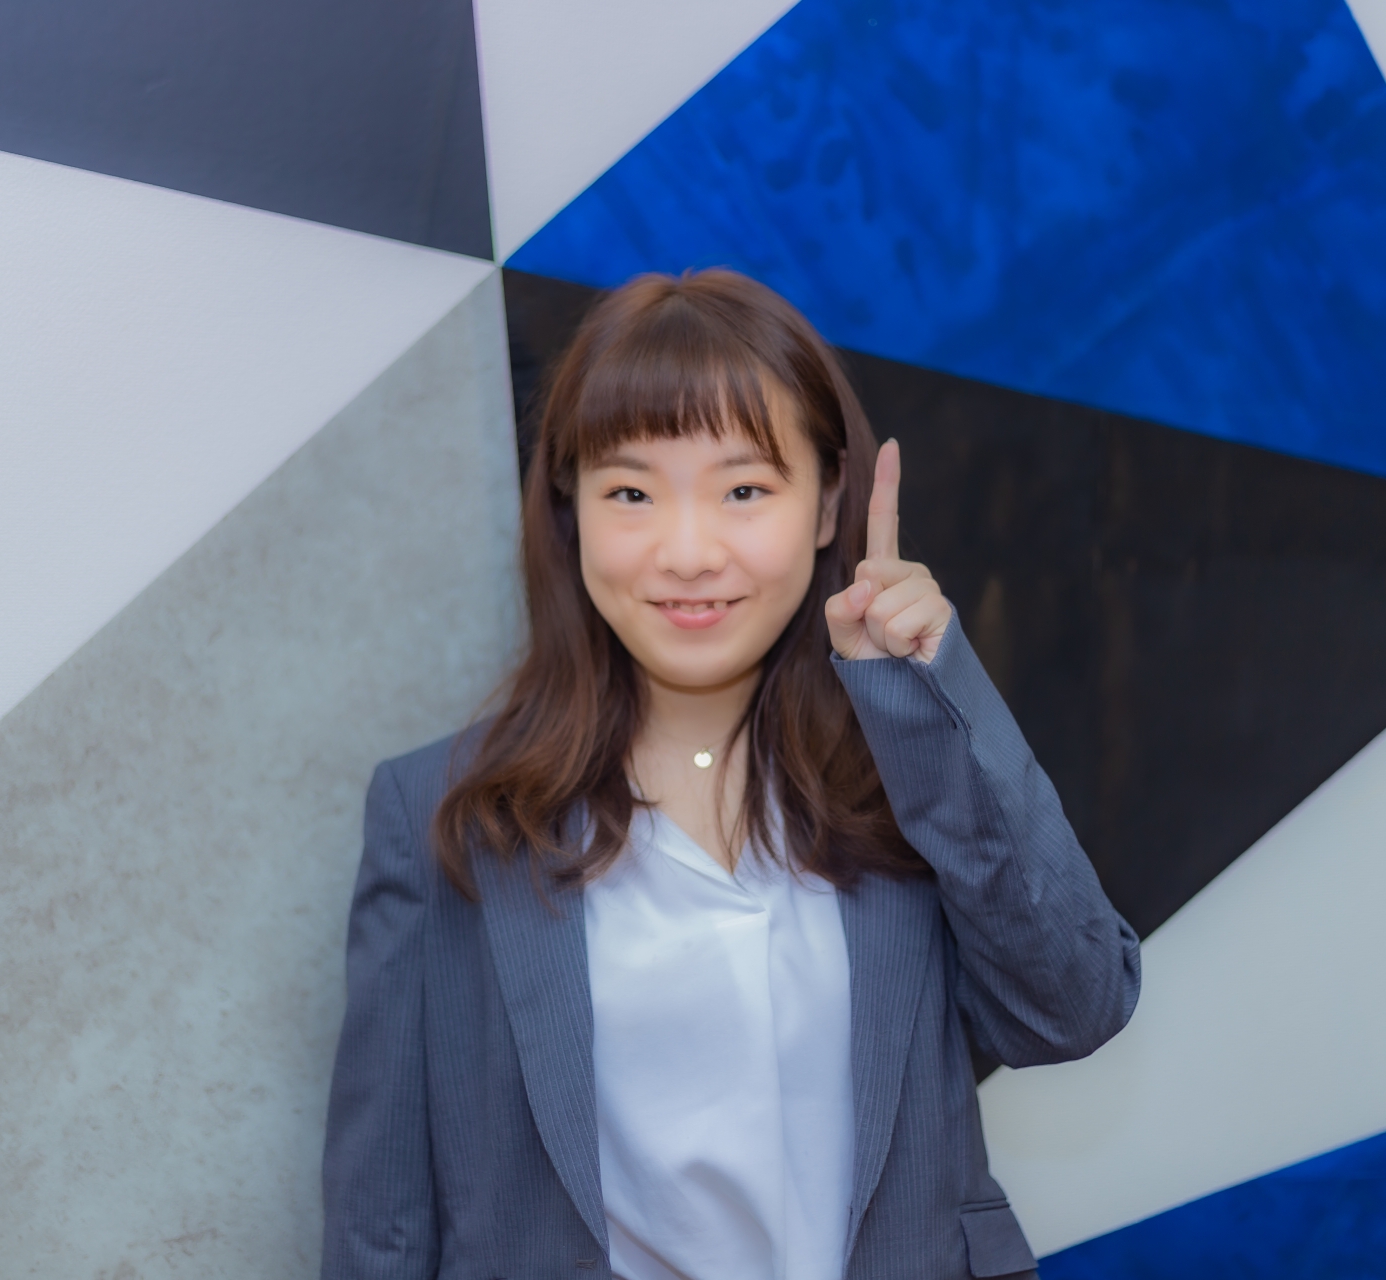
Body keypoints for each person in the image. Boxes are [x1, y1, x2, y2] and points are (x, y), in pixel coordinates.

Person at [321, 269, 1140, 1280]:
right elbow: (383, 1228)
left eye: (744, 489)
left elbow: (1071, 1008)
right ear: (570, 510)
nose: (688, 552)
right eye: (631, 492)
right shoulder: (443, 816)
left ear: (828, 501)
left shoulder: (908, 777)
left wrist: (928, 694)